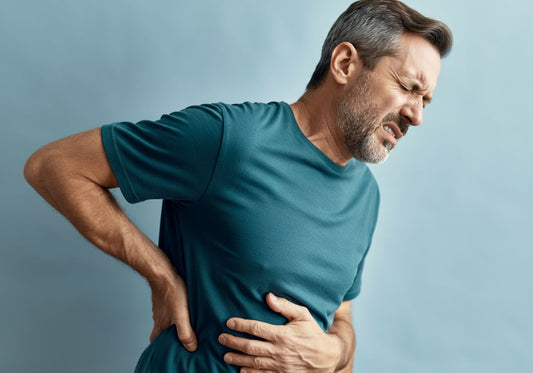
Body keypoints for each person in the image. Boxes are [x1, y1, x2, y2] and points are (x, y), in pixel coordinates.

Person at [24, 0, 452, 371]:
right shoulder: (230, 138)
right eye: (408, 88)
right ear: (345, 64)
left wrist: (334, 352)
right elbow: (55, 166)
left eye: (425, 101)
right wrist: (160, 274)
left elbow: (340, 318)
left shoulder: (366, 196)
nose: (416, 115)